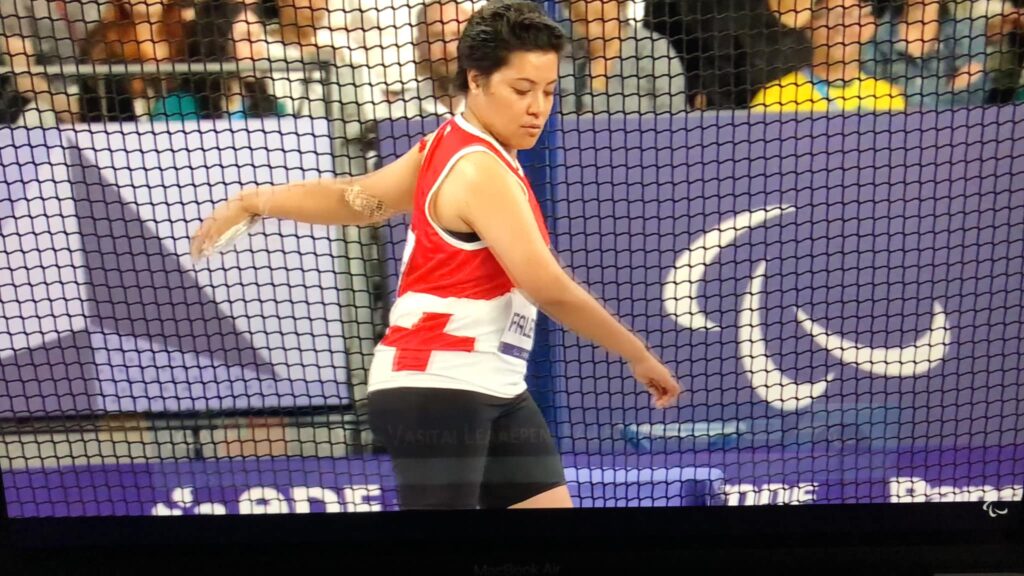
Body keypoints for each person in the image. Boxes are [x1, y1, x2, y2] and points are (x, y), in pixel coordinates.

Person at [190, 0, 681, 510]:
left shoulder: (446, 145)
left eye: (549, 91)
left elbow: (356, 200)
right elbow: (548, 286)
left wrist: (258, 201)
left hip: (497, 384)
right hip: (438, 387)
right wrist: (636, 353)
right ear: (475, 81)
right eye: (521, 90)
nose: (538, 107)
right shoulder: (477, 169)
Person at [751, 0, 906, 112]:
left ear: (869, 26)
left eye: (853, 16)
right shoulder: (777, 97)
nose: (841, 28)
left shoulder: (887, 98)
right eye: (830, 16)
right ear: (810, 25)